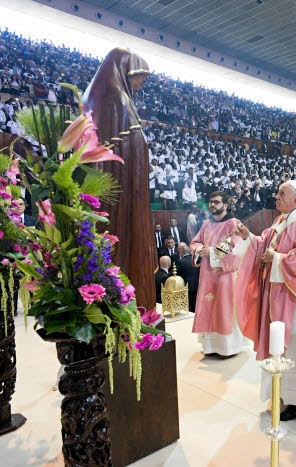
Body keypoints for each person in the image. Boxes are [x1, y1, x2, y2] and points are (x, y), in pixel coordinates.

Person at [232, 180, 296, 421]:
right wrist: (249, 238)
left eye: (281, 193)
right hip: (276, 293)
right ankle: (282, 391)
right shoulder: (281, 220)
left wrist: (276, 259)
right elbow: (263, 246)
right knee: (280, 345)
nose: (276, 197)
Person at [84, 47, 156, 309]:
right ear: (127, 72)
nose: (140, 85)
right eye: (139, 78)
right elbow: (128, 144)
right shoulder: (116, 99)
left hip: (123, 181)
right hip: (121, 185)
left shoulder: (109, 97)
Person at [189, 191, 246, 358]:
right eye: (211, 202)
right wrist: (200, 250)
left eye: (216, 202)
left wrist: (212, 251)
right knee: (209, 306)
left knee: (224, 308)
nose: (212, 205)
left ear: (225, 205)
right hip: (207, 274)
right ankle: (210, 347)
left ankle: (228, 348)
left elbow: (236, 248)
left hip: (225, 276)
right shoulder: (207, 223)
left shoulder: (233, 223)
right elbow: (195, 242)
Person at [175, 243, 199, 313]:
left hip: (185, 287)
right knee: (195, 304)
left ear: (181, 252)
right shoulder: (196, 260)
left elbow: (175, 274)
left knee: (187, 306)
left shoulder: (180, 262)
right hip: (196, 285)